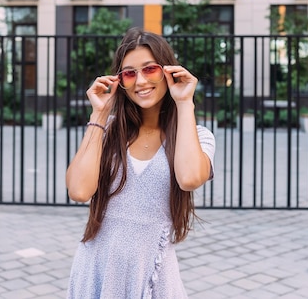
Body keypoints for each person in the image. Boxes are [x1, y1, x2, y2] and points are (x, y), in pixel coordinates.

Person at [66, 27, 215, 298]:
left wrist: (184, 103)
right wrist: (99, 114)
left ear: (168, 71)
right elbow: (78, 191)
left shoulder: (196, 136)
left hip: (152, 274)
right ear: (120, 80)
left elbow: (190, 177)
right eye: (129, 73)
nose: (141, 81)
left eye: (150, 69)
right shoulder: (107, 130)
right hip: (96, 269)